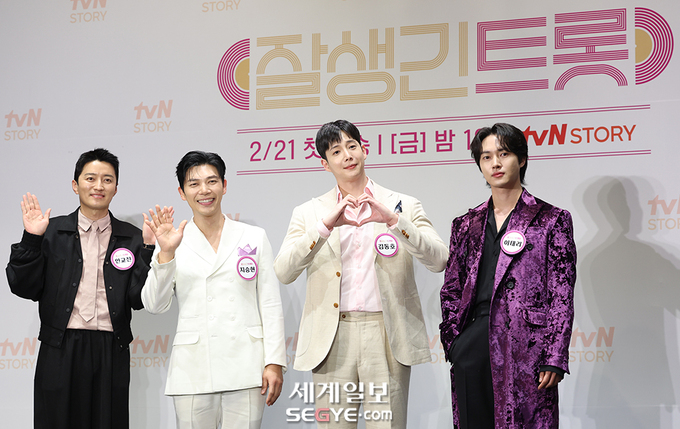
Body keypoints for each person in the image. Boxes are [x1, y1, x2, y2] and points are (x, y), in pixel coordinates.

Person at [275, 119, 448, 428]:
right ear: (325, 164)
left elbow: (439, 260)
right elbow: (284, 271)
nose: (347, 155)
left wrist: (395, 222)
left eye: (352, 146)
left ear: (364, 150)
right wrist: (323, 228)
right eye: (336, 151)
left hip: (386, 332)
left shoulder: (403, 205)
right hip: (331, 337)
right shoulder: (309, 212)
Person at [439, 123, 577, 429]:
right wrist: (454, 340)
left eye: (503, 154)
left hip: (527, 345)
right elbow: (452, 288)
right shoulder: (466, 224)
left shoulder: (551, 220)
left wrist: (554, 355)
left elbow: (561, 294)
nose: (495, 164)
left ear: (522, 159)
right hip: (473, 341)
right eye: (486, 157)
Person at [6, 148, 155, 429]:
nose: (99, 186)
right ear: (75, 185)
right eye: (90, 178)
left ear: (116, 188)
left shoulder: (133, 237)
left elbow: (138, 299)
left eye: (107, 180)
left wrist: (148, 251)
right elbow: (22, 286)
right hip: (59, 347)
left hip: (111, 347)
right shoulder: (50, 231)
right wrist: (31, 239)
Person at [141, 151, 286, 429]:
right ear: (182, 193)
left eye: (212, 181)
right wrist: (166, 254)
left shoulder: (253, 236)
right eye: (194, 184)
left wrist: (274, 362)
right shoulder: (171, 240)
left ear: (224, 185)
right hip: (192, 370)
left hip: (246, 365)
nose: (204, 190)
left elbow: (270, 304)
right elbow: (154, 305)